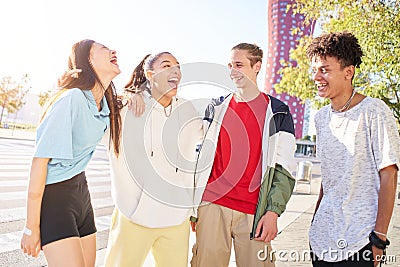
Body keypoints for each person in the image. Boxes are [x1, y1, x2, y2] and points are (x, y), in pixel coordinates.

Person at [190, 43, 297, 266]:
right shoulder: (215, 107)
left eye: (238, 65)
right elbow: (199, 157)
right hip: (212, 205)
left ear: (257, 66)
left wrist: (273, 213)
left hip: (253, 212)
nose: (232, 71)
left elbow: (285, 167)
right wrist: (194, 210)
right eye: (230, 65)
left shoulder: (278, 111)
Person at [20, 39, 122, 267]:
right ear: (88, 60)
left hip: (81, 193)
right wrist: (31, 226)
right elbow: (39, 162)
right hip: (55, 197)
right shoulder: (71, 99)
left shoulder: (105, 106)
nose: (113, 50)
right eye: (104, 48)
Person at [307, 31, 400, 266]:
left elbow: (389, 174)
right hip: (321, 239)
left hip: (361, 240)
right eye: (314, 69)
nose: (316, 76)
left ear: (348, 72)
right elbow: (327, 178)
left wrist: (379, 237)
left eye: (324, 70)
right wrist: (315, 221)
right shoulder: (321, 118)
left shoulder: (374, 111)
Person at [103, 52, 203, 267]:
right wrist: (130, 94)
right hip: (134, 217)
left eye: (178, 66)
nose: (175, 70)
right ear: (150, 74)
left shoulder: (187, 111)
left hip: (176, 219)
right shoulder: (126, 109)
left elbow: (211, 141)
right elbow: (97, 105)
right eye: (167, 65)